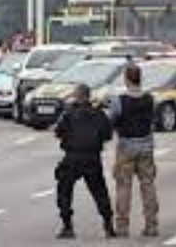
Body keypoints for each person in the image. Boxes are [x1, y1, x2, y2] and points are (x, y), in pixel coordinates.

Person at [54, 84, 116, 240]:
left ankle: (67, 226)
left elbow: (59, 132)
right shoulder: (99, 114)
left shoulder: (68, 114)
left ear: (77, 96)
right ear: (88, 97)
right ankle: (108, 225)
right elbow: (108, 134)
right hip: (92, 157)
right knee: (99, 191)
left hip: (73, 156)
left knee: (64, 189)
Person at [108, 63, 159, 237]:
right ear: (140, 78)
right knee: (148, 185)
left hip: (126, 146)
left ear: (126, 79)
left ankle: (122, 226)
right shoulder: (150, 98)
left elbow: (112, 120)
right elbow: (153, 118)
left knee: (123, 186)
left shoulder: (119, 100)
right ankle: (151, 225)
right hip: (146, 145)